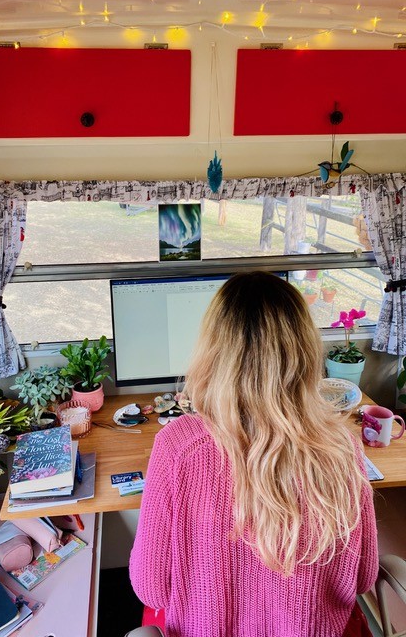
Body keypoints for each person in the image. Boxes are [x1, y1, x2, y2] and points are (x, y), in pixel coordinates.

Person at [129, 271, 378, 637]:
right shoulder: (342, 446)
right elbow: (363, 578)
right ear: (306, 353)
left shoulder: (178, 447)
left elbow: (151, 589)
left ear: (211, 352)